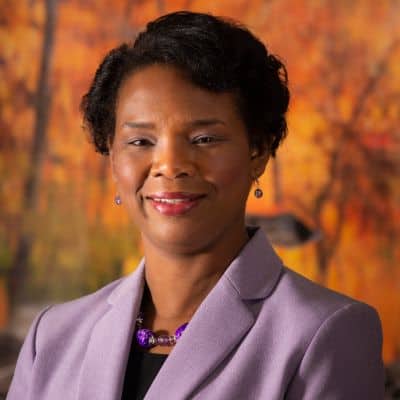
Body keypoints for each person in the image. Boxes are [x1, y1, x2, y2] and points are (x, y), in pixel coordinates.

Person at [7, 11, 384, 400]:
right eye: (140, 142)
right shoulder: (51, 339)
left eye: (204, 139)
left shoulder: (327, 333)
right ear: (113, 156)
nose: (170, 165)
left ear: (257, 151)